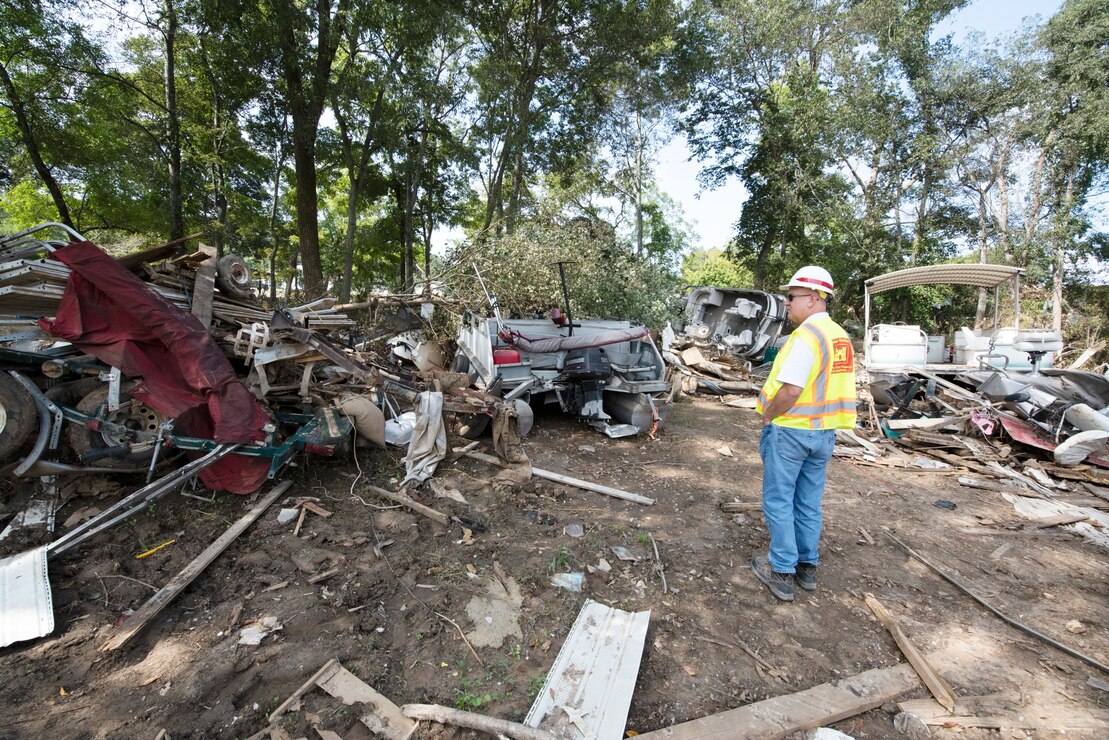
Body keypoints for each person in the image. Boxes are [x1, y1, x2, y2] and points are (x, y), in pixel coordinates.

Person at [752, 266, 857, 602]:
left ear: (813, 298)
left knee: (778, 501)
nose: (786, 303)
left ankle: (782, 571)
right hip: (824, 433)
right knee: (809, 502)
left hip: (792, 431)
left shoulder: (806, 338)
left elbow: (791, 390)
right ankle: (807, 568)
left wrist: (768, 415)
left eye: (792, 297)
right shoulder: (840, 336)